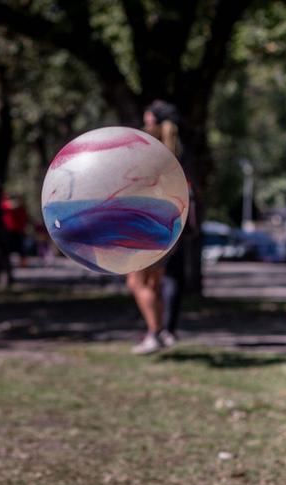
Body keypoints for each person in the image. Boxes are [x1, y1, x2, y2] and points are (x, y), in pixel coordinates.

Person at [127, 100, 189, 355]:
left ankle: (154, 333)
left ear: (151, 119)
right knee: (153, 284)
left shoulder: (147, 153)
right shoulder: (176, 153)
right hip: (169, 225)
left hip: (145, 224)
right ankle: (160, 332)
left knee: (136, 281)